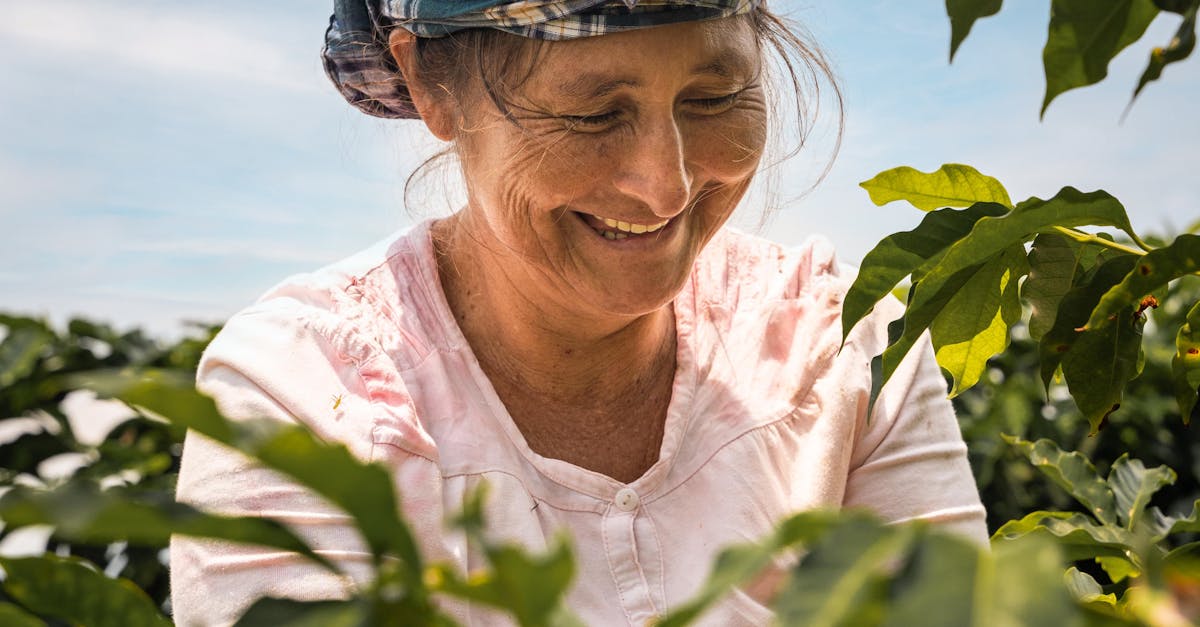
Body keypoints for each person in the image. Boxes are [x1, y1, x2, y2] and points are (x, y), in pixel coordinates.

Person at [170, 1, 988, 624]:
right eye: (593, 114)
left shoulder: (843, 347)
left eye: (714, 96)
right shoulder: (300, 396)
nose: (663, 186)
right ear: (429, 84)